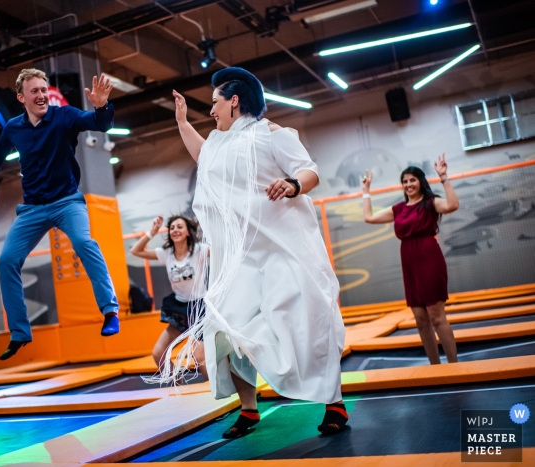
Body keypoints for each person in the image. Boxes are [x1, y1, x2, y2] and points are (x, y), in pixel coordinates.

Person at [161, 67, 348, 439]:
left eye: (214, 103)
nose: (211, 111)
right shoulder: (216, 142)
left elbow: (309, 172)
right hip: (239, 262)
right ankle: (249, 409)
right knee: (223, 330)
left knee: (305, 323)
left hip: (283, 252)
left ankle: (333, 402)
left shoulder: (271, 134)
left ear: (234, 101)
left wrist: (292, 185)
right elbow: (203, 156)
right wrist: (182, 121)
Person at [0, 69, 120, 361]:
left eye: (44, 90)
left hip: (67, 202)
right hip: (32, 209)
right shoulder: (13, 129)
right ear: (21, 97)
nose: (42, 95)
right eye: (35, 91)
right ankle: (20, 332)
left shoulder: (64, 116)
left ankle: (109, 310)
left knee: (85, 243)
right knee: (6, 260)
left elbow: (98, 123)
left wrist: (102, 106)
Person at [362, 155, 459, 364]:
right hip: (409, 262)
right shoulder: (398, 209)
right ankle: (435, 367)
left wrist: (444, 177)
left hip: (429, 258)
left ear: (420, 182)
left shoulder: (430, 203)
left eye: (412, 180)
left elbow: (452, 205)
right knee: (421, 319)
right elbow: (368, 217)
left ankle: (454, 365)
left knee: (437, 316)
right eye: (405, 181)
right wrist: (366, 192)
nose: (408, 184)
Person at [130, 215, 208, 379]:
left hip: (201, 308)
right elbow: (135, 251)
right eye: (172, 228)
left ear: (188, 232)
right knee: (158, 353)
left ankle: (216, 394)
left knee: (200, 357)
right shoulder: (166, 254)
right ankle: (179, 389)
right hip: (179, 309)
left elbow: (222, 250)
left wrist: (206, 223)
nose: (175, 230)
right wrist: (152, 232)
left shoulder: (199, 250)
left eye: (180, 227)